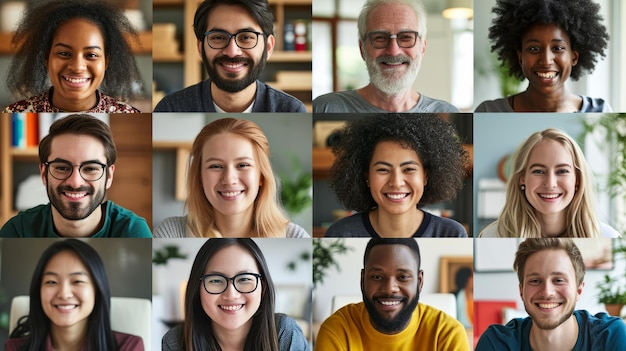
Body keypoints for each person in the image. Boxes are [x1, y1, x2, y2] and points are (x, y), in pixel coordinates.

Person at [0, 114, 152, 238]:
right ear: (44, 174)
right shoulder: (17, 231)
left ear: (109, 176)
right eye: (61, 167)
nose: (75, 182)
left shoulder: (133, 231)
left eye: (91, 168)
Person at [154, 117, 308, 238]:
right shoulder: (170, 232)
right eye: (215, 166)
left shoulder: (296, 236)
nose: (229, 179)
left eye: (243, 165)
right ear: (199, 177)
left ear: (261, 175)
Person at [325, 114, 468, 237]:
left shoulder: (451, 233)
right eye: (383, 170)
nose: (396, 182)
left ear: (425, 176)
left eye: (409, 169)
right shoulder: (340, 233)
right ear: (366, 176)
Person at [315, 238, 468, 350]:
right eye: (377, 277)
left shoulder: (447, 334)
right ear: (363, 280)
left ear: (419, 282)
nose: (389, 289)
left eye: (403, 277)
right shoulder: (336, 331)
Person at [154, 0, 306, 112]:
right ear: (201, 47)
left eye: (246, 37)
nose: (232, 51)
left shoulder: (292, 110)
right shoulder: (170, 109)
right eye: (218, 37)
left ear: (268, 47)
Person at [475, 238, 626, 350]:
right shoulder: (496, 343)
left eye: (559, 280)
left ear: (579, 290)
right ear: (521, 291)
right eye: (535, 281)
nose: (547, 292)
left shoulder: (610, 336)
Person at [162, 238, 309, 350]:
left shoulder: (285, 334)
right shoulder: (175, 342)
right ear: (197, 288)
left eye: (244, 279)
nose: (231, 294)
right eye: (216, 280)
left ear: (262, 288)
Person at [313, 0, 458, 113]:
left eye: (406, 37)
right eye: (380, 38)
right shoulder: (325, 107)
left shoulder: (447, 112)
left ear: (422, 48)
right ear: (362, 49)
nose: (393, 51)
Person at [3, 0, 142, 113]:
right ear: (46, 58)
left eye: (91, 55)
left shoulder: (127, 113)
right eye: (64, 53)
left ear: (106, 62)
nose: (77, 67)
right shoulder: (17, 112)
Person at [5, 239, 144, 351]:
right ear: (38, 290)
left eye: (77, 281)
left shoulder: (129, 347)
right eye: (52, 282)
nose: (64, 294)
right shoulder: (15, 348)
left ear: (97, 290)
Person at [479, 128, 620, 238]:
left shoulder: (609, 236)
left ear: (577, 179)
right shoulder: (491, 235)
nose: (551, 183)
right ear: (522, 178)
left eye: (562, 171)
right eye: (539, 171)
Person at [475, 0, 611, 112]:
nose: (546, 61)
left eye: (558, 48)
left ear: (573, 57)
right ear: (520, 57)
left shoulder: (600, 111)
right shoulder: (488, 111)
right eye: (534, 48)